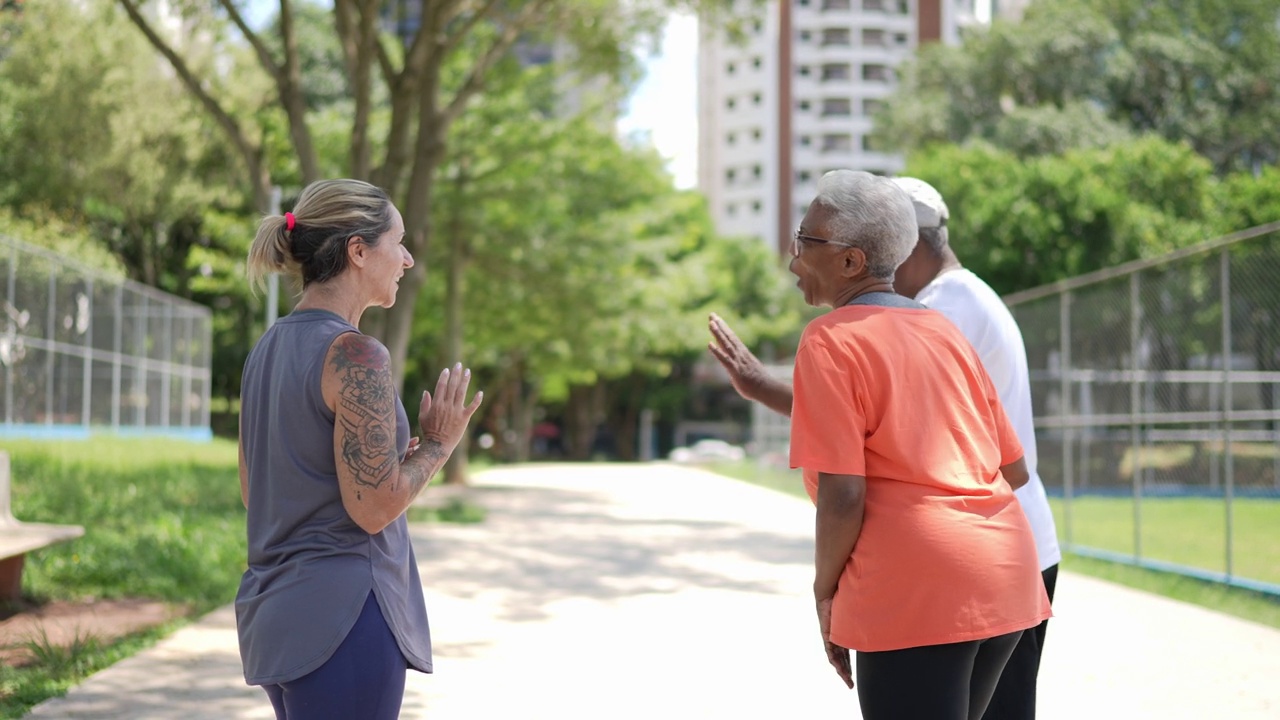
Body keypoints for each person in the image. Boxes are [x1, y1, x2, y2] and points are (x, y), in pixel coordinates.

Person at [707, 170, 1050, 720]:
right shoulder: (944, 331)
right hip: (1006, 575)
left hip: (919, 587)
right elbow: (1011, 470)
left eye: (805, 242)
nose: (794, 259)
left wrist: (825, 592)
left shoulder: (829, 338)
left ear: (851, 262)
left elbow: (844, 497)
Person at [238, 178, 482, 720]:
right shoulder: (355, 354)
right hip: (345, 619)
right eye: (398, 242)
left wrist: (390, 460)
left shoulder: (266, 349)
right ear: (358, 250)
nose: (408, 258)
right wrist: (438, 446)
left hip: (277, 619)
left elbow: (257, 490)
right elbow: (373, 508)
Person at [891, 177, 1061, 720]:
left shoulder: (945, 307)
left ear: (910, 245)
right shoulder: (965, 293)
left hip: (1000, 546)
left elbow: (894, 423)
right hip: (1014, 541)